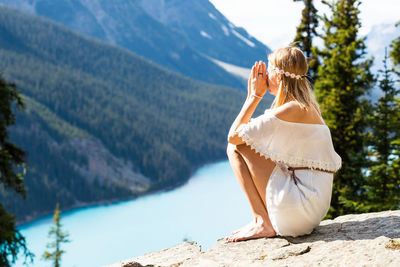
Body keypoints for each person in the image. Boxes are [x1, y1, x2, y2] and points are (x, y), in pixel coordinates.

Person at [225, 46, 342, 242]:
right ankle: (261, 220)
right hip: (310, 208)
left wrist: (254, 96)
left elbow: (234, 137)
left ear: (278, 77)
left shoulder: (292, 109)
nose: (265, 77)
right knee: (243, 143)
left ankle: (262, 222)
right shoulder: (306, 106)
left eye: (269, 71)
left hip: (299, 208)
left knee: (237, 147)